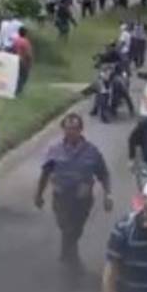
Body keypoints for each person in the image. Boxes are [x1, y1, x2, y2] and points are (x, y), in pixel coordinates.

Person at [35, 113, 115, 276]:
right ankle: (71, 261)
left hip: (82, 200)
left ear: (81, 130)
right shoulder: (54, 150)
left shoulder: (92, 151)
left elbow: (103, 174)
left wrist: (108, 195)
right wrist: (39, 194)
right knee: (67, 228)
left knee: (75, 229)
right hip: (61, 198)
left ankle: (69, 256)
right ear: (63, 130)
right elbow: (45, 173)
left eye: (75, 129)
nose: (71, 132)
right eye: (68, 128)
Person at [12, 27, 34, 96]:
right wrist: (30, 62)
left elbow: (12, 50)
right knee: (24, 76)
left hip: (15, 59)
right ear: (25, 33)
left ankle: (14, 89)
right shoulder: (26, 42)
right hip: (23, 61)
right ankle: (18, 91)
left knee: (16, 75)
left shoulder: (15, 40)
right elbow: (28, 53)